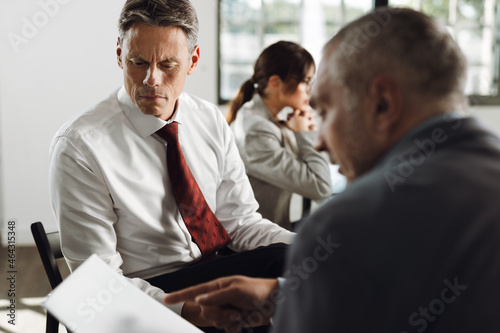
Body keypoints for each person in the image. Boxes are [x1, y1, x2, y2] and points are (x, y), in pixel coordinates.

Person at [164, 7, 500, 333]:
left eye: (324, 110)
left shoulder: (350, 224)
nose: (320, 140)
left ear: (382, 104)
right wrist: (295, 292)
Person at [48, 0, 295, 331]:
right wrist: (194, 311)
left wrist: (314, 248)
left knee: (297, 261)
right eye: (137, 62)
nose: (151, 80)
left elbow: (241, 223)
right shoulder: (80, 145)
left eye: (167, 64)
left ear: (192, 61)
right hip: (143, 289)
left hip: (213, 266)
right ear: (119, 54)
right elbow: (99, 283)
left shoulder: (209, 119)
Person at [227, 41, 332, 230]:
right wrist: (305, 134)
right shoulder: (257, 130)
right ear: (275, 82)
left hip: (270, 233)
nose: (311, 90)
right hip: (253, 244)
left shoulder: (271, 118)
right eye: (306, 82)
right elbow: (321, 187)